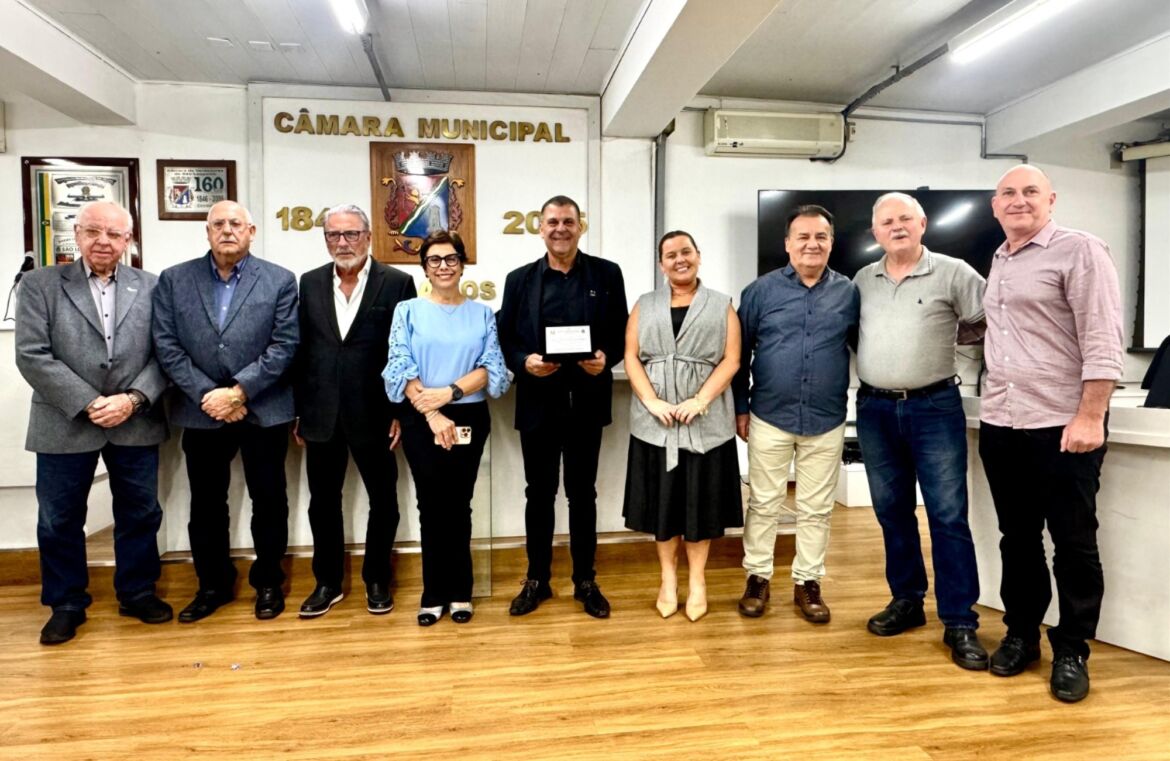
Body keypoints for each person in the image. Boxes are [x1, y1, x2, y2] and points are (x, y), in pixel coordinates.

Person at [979, 165, 1123, 703]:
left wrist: (1091, 415)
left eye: (1030, 191)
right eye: (1008, 193)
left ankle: (1072, 649)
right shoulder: (999, 258)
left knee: (1073, 542)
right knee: (1017, 539)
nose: (1018, 200)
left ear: (1051, 199)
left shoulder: (1079, 249)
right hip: (1002, 421)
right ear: (995, 205)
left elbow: (1102, 337)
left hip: (1062, 425)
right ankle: (1022, 635)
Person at [15, 201, 171, 644]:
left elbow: (165, 352)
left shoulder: (153, 286)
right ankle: (66, 603)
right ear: (77, 234)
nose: (103, 241)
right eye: (93, 231)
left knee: (140, 512)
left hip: (134, 419)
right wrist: (88, 402)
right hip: (64, 420)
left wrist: (133, 399)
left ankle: (137, 592)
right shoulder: (40, 285)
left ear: (128, 240)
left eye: (114, 233)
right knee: (59, 518)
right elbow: (31, 354)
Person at [853, 192, 988, 669]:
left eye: (905, 218)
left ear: (923, 223)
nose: (897, 227)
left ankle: (960, 620)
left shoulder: (954, 272)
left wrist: (947, 342)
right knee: (891, 511)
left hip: (934, 407)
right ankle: (907, 600)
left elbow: (989, 321)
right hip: (874, 408)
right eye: (887, 221)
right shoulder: (862, 279)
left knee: (948, 516)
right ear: (876, 232)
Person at [152, 200, 299, 623]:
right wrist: (210, 395)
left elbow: (285, 345)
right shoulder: (175, 279)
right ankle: (212, 585)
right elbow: (166, 345)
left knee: (269, 500)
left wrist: (238, 393)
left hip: (262, 407)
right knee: (206, 504)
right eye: (218, 224)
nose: (227, 230)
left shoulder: (279, 280)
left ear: (252, 231)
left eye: (236, 223)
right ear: (207, 232)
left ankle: (268, 582)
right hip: (201, 411)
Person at [496, 195, 628, 619]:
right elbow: (505, 337)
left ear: (579, 227)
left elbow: (622, 329)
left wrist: (607, 357)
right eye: (552, 222)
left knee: (582, 494)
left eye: (568, 221)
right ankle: (537, 579)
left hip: (586, 402)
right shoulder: (519, 280)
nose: (560, 229)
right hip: (538, 403)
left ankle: (585, 580)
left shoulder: (607, 274)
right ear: (540, 228)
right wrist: (524, 362)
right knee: (538, 494)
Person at [732, 204, 859, 623]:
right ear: (788, 243)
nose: (812, 244)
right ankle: (757, 577)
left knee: (816, 508)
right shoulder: (759, 292)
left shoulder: (848, 293)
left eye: (821, 236)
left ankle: (808, 581)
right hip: (769, 414)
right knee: (764, 502)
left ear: (831, 243)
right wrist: (740, 407)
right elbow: (738, 354)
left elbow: (861, 346)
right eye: (803, 236)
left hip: (826, 418)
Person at [293, 204, 417, 617]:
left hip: (376, 413)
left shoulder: (397, 282)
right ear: (325, 239)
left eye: (350, 234)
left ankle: (377, 579)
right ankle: (327, 582)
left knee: (384, 500)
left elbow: (405, 351)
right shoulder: (309, 282)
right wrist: (299, 410)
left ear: (368, 236)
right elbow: (302, 351)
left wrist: (400, 410)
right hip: (321, 413)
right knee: (322, 502)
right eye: (334, 235)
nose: (342, 242)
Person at [383, 231, 509, 626]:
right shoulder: (407, 311)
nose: (443, 266)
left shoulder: (483, 314)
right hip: (421, 418)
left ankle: (460, 592)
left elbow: (492, 368)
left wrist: (449, 394)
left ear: (462, 264)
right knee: (430, 505)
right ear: (424, 268)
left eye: (451, 258)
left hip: (469, 416)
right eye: (434, 260)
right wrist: (432, 413)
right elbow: (399, 364)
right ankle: (432, 593)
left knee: (459, 504)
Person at [622, 231, 742, 622]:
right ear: (661, 264)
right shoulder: (645, 304)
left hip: (706, 424)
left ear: (698, 256)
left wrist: (701, 400)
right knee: (664, 506)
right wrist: (651, 401)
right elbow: (631, 357)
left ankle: (699, 581)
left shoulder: (721, 304)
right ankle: (668, 579)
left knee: (699, 506)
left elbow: (732, 359)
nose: (679, 260)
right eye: (671, 255)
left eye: (686, 252)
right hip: (656, 425)